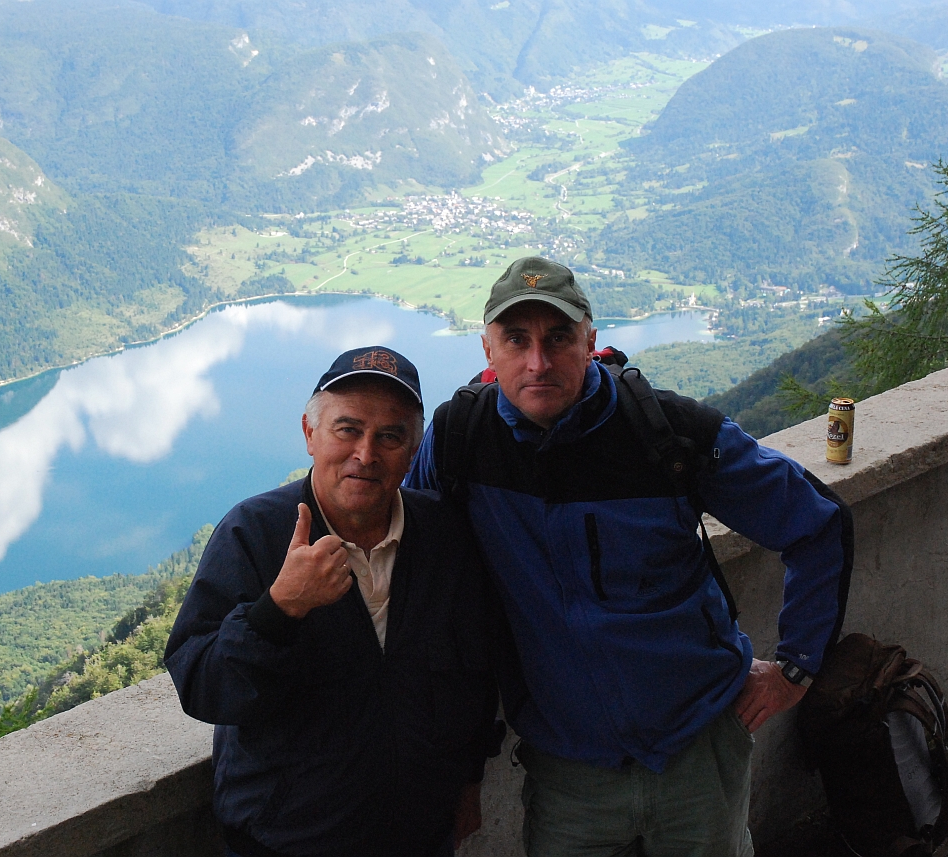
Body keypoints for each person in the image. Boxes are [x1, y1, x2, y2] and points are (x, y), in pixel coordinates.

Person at [405, 257, 853, 857]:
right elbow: (406, 558)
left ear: (589, 341)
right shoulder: (461, 439)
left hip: (698, 748)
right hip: (569, 768)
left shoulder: (666, 431)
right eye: (516, 340)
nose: (537, 362)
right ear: (488, 348)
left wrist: (797, 668)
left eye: (557, 338)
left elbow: (817, 523)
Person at [165, 346, 501, 857]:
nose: (366, 454)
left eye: (390, 436)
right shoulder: (254, 533)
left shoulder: (443, 535)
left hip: (420, 836)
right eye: (348, 429)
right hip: (287, 842)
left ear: (413, 452)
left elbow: (473, 676)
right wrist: (279, 609)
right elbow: (202, 687)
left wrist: (468, 782)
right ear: (310, 434)